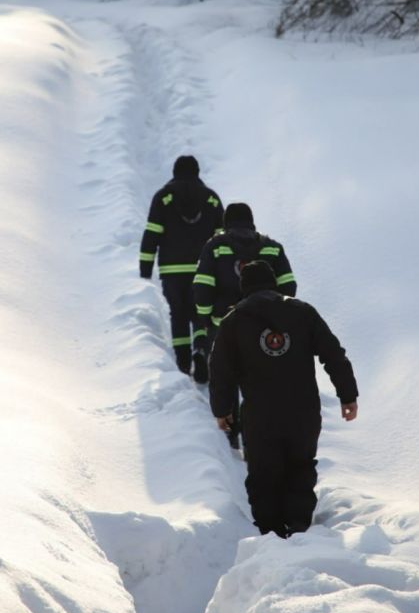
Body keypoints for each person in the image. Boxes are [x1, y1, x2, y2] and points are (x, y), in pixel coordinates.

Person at [209, 260, 358, 539]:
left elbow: (219, 370)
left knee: (263, 471)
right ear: (274, 282)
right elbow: (333, 354)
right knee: (300, 465)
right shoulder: (303, 312)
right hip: (303, 410)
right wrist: (347, 395)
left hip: (259, 413)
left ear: (244, 287)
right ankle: (299, 526)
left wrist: (222, 409)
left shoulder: (234, 321)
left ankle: (270, 533)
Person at [193, 202, 296, 438]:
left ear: (226, 222)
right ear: (251, 221)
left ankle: (231, 435)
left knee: (225, 379)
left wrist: (205, 317)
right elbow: (289, 285)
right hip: (263, 329)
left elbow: (202, 286)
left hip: (223, 326)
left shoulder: (215, 246)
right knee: (258, 383)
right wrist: (278, 314)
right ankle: (257, 437)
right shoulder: (272, 248)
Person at [139, 156, 223, 379]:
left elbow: (152, 232)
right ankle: (201, 349)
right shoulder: (211, 199)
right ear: (197, 172)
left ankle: (183, 363)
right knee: (201, 314)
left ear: (175, 172)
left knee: (178, 314)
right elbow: (221, 238)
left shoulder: (163, 198)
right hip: (202, 270)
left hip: (171, 270)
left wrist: (145, 267)